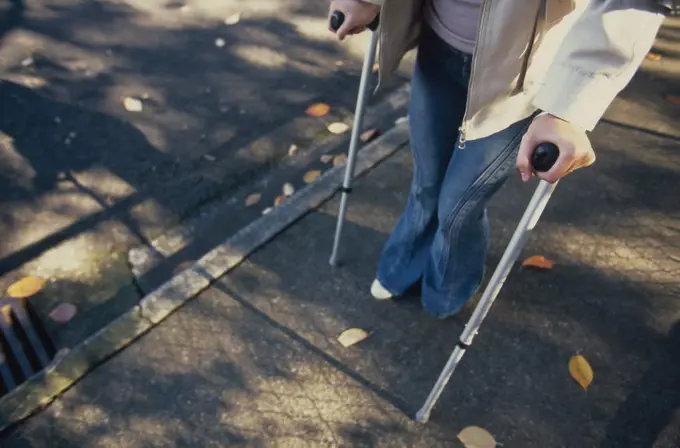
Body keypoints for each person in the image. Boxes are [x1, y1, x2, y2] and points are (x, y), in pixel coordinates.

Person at [328, 0, 668, 319]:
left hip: (523, 78)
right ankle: (400, 267)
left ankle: (447, 288)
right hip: (438, 45)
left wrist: (572, 102)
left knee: (458, 208)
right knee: (426, 182)